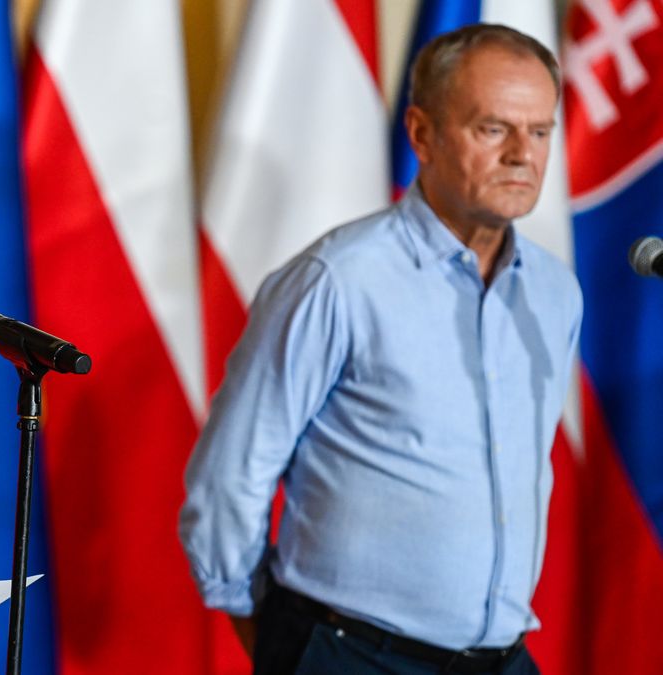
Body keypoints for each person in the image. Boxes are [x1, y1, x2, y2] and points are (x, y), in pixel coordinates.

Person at [179, 24, 581, 675]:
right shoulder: (338, 279)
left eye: (540, 131)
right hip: (351, 654)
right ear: (421, 133)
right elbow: (230, 475)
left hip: (503, 659)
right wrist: (280, 644)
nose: (522, 155)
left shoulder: (556, 293)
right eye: (493, 128)